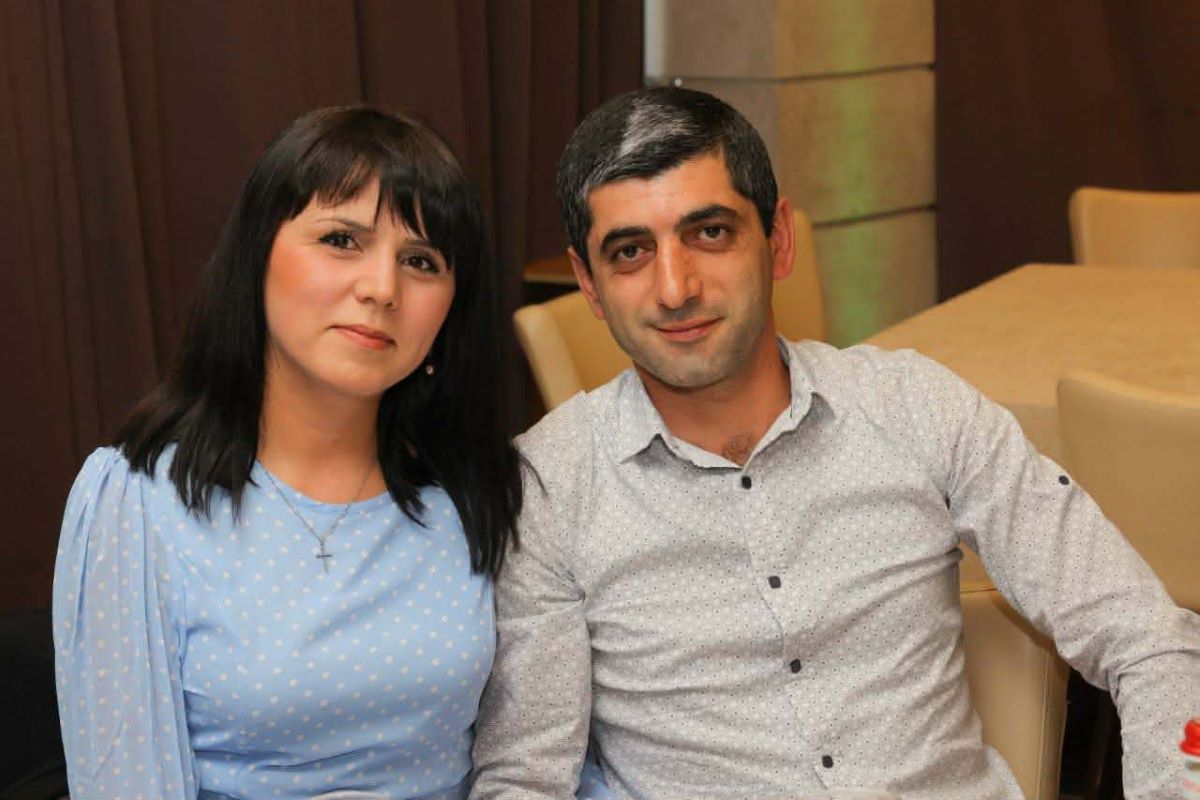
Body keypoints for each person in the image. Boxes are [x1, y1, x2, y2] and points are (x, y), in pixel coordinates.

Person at [469, 87, 1200, 800]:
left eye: (710, 233)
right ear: (589, 283)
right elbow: (527, 776)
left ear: (778, 240)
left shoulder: (914, 407)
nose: (675, 287)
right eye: (630, 251)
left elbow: (1147, 637)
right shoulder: (550, 486)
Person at [53, 106, 522, 799]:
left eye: (421, 261)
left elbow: (530, 755)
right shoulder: (137, 501)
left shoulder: (480, 489)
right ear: (257, 256)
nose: (381, 289)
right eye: (341, 240)